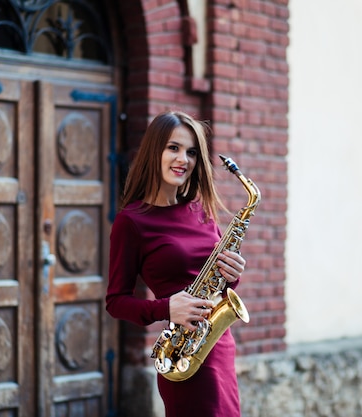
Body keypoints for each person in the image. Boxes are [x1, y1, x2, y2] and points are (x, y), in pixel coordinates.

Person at [106, 110, 246, 417]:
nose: (183, 159)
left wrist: (232, 274)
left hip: (219, 345)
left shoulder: (201, 211)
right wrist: (166, 308)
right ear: (155, 150)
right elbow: (116, 302)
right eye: (173, 148)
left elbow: (218, 282)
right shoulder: (131, 222)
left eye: (191, 152)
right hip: (183, 354)